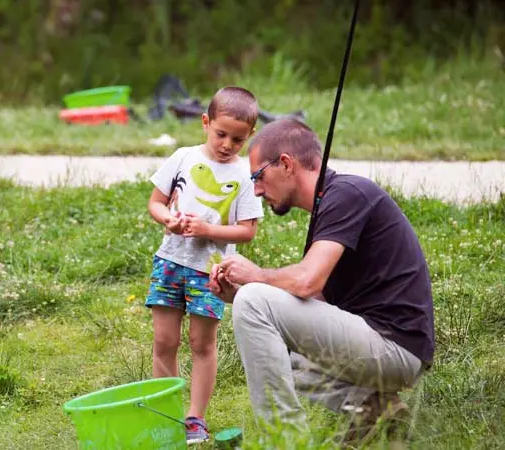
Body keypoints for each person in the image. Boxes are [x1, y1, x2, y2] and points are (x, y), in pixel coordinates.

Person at [207, 118, 435, 445]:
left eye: (258, 176)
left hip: (395, 347)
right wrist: (237, 294)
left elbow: (306, 283)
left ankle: (284, 441)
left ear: (285, 164)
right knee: (266, 330)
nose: (256, 189)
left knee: (255, 302)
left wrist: (255, 281)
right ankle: (376, 410)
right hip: (378, 344)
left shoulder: (346, 194)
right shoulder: (329, 207)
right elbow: (315, 306)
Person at [144, 86, 265, 444]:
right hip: (169, 262)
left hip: (210, 271)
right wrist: (169, 220)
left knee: (202, 344)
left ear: (250, 137)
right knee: (164, 341)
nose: (227, 144)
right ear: (205, 122)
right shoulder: (182, 157)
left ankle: (195, 417)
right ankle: (164, 413)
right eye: (221, 134)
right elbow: (156, 203)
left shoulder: (245, 176)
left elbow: (247, 232)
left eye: (238, 139)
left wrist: (208, 229)